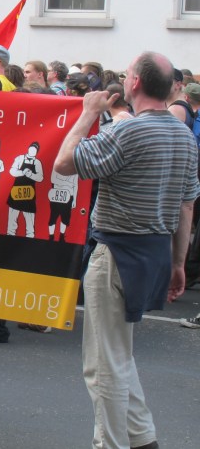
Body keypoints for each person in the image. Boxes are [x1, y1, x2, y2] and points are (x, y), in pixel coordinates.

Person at [54, 52, 199, 449]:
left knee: (103, 365)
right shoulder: (183, 134)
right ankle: (142, 437)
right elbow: (187, 204)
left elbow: (65, 162)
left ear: (134, 83)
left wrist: (86, 114)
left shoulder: (127, 132)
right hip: (154, 251)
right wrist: (178, 263)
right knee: (118, 354)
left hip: (118, 250)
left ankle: (113, 443)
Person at [6, 142, 44, 238]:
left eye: (35, 150)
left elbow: (40, 178)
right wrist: (22, 172)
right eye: (31, 149)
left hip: (29, 194)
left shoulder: (37, 163)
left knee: (30, 226)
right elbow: (12, 171)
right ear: (28, 149)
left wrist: (30, 174)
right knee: (11, 224)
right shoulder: (19, 158)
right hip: (16, 192)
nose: (32, 151)